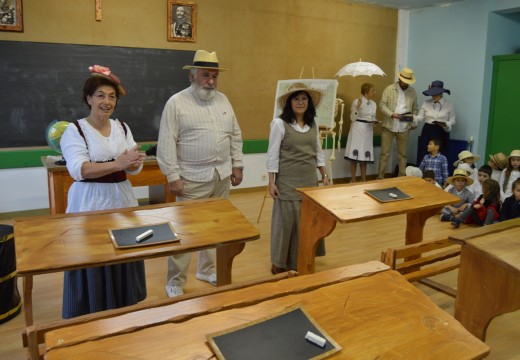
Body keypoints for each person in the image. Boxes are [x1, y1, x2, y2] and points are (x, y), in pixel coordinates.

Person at [59, 65, 147, 318]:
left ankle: (124, 305)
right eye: (100, 95)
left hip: (122, 198)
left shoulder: (122, 127)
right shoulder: (74, 130)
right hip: (90, 201)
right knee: (93, 252)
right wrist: (118, 163)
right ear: (88, 98)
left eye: (112, 97)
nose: (106, 102)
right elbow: (79, 169)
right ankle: (92, 310)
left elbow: (133, 169)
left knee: (124, 247)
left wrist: (134, 161)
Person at [157, 50, 244, 298]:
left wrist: (237, 164)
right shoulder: (176, 103)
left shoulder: (224, 100)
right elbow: (166, 142)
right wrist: (172, 176)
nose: (211, 81)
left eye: (215, 76)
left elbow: (235, 135)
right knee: (184, 231)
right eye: (206, 75)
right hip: (191, 178)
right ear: (192, 76)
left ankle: (206, 270)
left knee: (216, 228)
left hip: (221, 176)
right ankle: (175, 280)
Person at [266, 82, 330, 274]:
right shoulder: (279, 124)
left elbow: (318, 153)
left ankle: (302, 259)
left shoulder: (313, 124)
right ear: (289, 102)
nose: (300, 102)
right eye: (296, 99)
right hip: (287, 181)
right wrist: (271, 182)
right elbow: (272, 155)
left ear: (309, 103)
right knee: (285, 224)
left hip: (309, 181)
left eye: (304, 99)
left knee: (306, 223)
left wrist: (324, 175)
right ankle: (279, 263)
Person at [378, 68, 418, 179]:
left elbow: (415, 108)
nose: (406, 84)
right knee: (384, 154)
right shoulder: (389, 89)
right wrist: (392, 114)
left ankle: (401, 179)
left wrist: (414, 119)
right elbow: (382, 105)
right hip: (389, 126)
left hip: (404, 127)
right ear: (400, 79)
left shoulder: (412, 92)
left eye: (408, 82)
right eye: (404, 81)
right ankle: (380, 177)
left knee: (403, 155)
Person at [414, 80, 455, 161]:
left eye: (436, 93)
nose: (434, 96)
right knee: (425, 152)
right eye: (432, 93)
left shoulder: (449, 104)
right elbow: (419, 117)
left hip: (442, 131)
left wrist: (446, 124)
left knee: (441, 153)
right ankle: (424, 172)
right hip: (427, 130)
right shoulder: (426, 103)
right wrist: (412, 118)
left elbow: (452, 120)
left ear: (441, 93)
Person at [344, 83, 377, 182]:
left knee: (364, 156)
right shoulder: (356, 101)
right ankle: (353, 179)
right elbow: (352, 118)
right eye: (372, 91)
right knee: (355, 156)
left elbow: (372, 117)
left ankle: (363, 179)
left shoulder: (374, 104)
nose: (374, 93)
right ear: (366, 92)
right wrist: (357, 108)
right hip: (357, 129)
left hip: (368, 130)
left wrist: (374, 121)